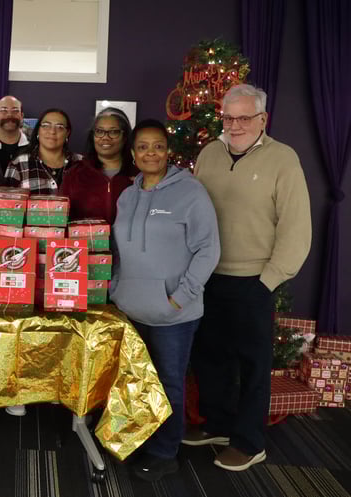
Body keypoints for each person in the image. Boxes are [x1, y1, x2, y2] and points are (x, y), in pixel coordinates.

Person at [186, 84, 312, 472]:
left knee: (254, 367)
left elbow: (296, 228)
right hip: (208, 277)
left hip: (255, 280)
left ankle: (249, 442)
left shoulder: (283, 159)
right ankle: (219, 426)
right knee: (211, 359)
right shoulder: (209, 153)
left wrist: (269, 280)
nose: (235, 125)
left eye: (244, 117)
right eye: (228, 117)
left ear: (262, 119)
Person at [110, 119, 220, 481]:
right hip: (131, 307)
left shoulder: (190, 193)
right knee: (135, 381)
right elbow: (119, 250)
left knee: (169, 382)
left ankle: (164, 451)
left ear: (167, 151)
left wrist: (180, 297)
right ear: (133, 153)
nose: (150, 153)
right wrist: (114, 289)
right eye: (143, 147)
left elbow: (208, 250)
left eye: (157, 146)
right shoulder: (127, 196)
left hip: (174, 313)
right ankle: (139, 440)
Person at [60, 107, 136, 224]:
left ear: (125, 137)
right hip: (86, 242)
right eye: (99, 131)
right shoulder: (75, 174)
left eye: (113, 132)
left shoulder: (138, 175)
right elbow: (61, 219)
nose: (105, 137)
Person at [4, 108, 77, 195]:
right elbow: (6, 205)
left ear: (67, 133)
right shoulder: (18, 165)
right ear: (38, 130)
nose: (52, 131)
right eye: (46, 125)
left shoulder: (80, 163)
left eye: (60, 127)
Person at [0, 95, 28, 174]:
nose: (9, 115)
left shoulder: (35, 149)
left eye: (15, 111)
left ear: (21, 116)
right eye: (4, 110)